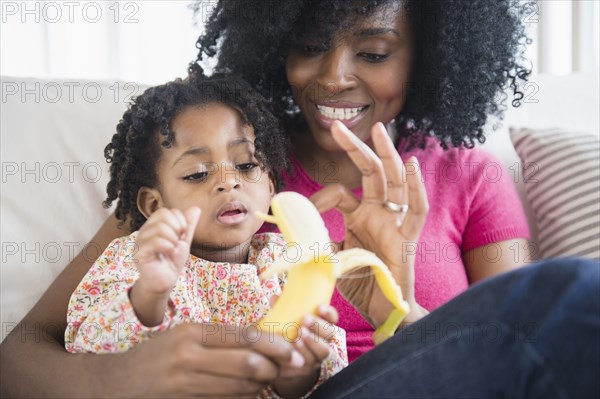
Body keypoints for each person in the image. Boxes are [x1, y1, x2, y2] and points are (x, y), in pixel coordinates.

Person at [1, 1, 598, 398]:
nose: (333, 77)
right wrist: (120, 377)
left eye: (373, 52)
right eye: (311, 45)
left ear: (431, 57)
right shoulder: (221, 167)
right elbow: (17, 356)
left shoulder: (473, 176)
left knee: (566, 298)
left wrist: (398, 304)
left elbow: (512, 349)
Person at [64, 75, 348, 398]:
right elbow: (90, 346)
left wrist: (296, 372)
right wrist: (149, 295)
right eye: (198, 173)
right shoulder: (140, 258)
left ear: (270, 185)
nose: (228, 182)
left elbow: (325, 376)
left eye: (245, 165)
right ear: (154, 205)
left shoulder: (288, 262)